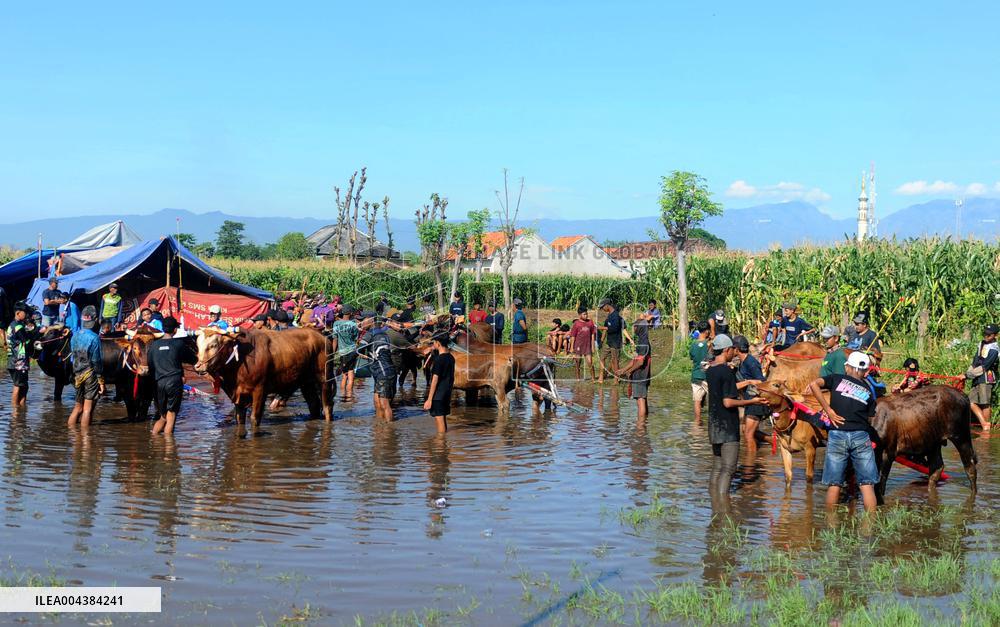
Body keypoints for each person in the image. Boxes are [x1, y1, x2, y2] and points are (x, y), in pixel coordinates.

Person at [806, 351, 880, 512]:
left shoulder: (836, 378)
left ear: (848, 367)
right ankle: (871, 527)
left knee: (834, 484)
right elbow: (870, 416)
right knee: (867, 484)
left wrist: (829, 410)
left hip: (837, 434)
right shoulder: (868, 390)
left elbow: (813, 385)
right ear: (866, 371)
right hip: (861, 435)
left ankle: (831, 525)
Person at [705, 334, 768, 496]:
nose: (734, 351)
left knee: (717, 466)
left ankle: (714, 501)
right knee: (728, 469)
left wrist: (747, 382)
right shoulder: (726, 371)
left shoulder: (711, 370)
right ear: (727, 350)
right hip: (727, 426)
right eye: (732, 349)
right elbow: (728, 402)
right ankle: (723, 504)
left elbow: (726, 389)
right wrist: (753, 402)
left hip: (713, 423)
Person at [149, 316, 198, 436]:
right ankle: (169, 449)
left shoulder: (154, 346)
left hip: (159, 383)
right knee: (171, 415)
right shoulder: (179, 344)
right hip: (174, 382)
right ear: (175, 330)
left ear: (163, 329)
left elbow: (151, 366)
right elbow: (193, 359)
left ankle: (154, 441)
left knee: (163, 416)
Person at [67, 306, 104, 428]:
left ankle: (72, 436)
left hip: (77, 374)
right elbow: (96, 360)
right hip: (90, 375)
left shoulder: (74, 336)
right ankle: (85, 440)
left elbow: (72, 357)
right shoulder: (94, 337)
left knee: (78, 407)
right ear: (94, 320)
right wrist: (100, 379)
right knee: (87, 409)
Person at [733, 335, 767, 456]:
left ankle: (750, 462)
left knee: (748, 434)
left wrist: (747, 382)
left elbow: (762, 382)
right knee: (747, 431)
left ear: (737, 349)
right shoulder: (743, 362)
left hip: (756, 402)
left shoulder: (751, 363)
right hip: (750, 401)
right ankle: (773, 441)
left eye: (733, 348)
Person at [617, 311, 653, 417]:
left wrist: (630, 371)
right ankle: (644, 424)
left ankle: (640, 427)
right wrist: (623, 370)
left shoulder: (643, 343)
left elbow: (640, 362)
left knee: (640, 400)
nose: (634, 329)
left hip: (640, 375)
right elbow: (635, 359)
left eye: (635, 327)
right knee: (643, 398)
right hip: (643, 375)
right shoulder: (642, 340)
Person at [7, 303, 41, 409]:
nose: (26, 315)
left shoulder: (13, 324)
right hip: (18, 361)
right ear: (18, 313)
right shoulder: (17, 326)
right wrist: (38, 331)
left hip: (14, 360)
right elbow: (26, 340)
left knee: (24, 385)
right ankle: (15, 411)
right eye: (24, 312)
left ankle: (22, 409)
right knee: (18, 386)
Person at [363, 317, 396, 421]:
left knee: (384, 404)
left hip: (383, 372)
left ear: (371, 321)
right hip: (383, 371)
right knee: (377, 402)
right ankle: (379, 428)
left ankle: (389, 431)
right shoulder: (383, 334)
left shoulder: (370, 334)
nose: (362, 322)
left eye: (364, 320)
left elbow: (358, 349)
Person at [423, 332, 455, 433]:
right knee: (443, 421)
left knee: (439, 422)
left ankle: (440, 446)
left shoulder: (439, 360)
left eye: (434, 342)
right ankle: (443, 446)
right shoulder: (451, 357)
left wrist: (429, 399)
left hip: (438, 395)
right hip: (447, 393)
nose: (433, 345)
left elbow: (434, 380)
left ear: (438, 343)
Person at [968, 323, 998, 430]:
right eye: (985, 333)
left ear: (995, 335)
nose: (986, 336)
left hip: (986, 377)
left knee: (985, 403)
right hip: (977, 377)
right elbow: (975, 361)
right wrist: (968, 372)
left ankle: (986, 427)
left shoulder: (995, 349)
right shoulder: (981, 344)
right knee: (970, 401)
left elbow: (985, 366)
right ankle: (985, 424)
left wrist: (967, 375)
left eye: (989, 335)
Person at [597, 299, 631, 383]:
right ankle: (601, 377)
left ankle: (616, 378)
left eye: (602, 307)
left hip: (616, 342)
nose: (602, 309)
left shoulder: (616, 316)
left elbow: (614, 329)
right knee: (602, 358)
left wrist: (601, 328)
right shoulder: (609, 316)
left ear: (607, 305)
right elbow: (606, 330)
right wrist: (601, 341)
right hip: (609, 341)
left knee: (615, 360)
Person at [333, 307, 360, 402]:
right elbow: (356, 339)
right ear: (350, 313)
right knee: (351, 373)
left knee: (344, 374)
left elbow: (335, 339)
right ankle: (349, 396)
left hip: (342, 352)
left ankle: (342, 395)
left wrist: (333, 352)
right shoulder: (353, 324)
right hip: (352, 350)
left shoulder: (336, 324)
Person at [689, 321, 711, 423]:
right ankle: (712, 421)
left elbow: (692, 358)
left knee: (697, 401)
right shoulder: (709, 345)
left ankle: (697, 422)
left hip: (696, 375)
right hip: (707, 376)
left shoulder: (693, 345)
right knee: (713, 400)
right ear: (706, 331)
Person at [569, 307, 598, 380]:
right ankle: (578, 379)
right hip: (578, 346)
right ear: (579, 315)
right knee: (577, 363)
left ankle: (593, 379)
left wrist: (593, 346)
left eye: (587, 314)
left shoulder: (590, 322)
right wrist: (572, 347)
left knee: (590, 363)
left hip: (587, 346)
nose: (586, 315)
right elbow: (573, 336)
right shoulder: (576, 324)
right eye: (584, 314)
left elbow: (592, 334)